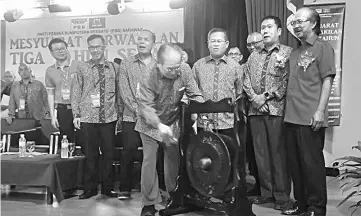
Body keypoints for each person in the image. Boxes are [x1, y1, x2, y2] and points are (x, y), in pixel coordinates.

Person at [135, 43, 204, 216]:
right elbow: (145, 106)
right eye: (170, 69)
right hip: (150, 124)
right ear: (158, 64)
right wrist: (159, 125)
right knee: (149, 161)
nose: (175, 72)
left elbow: (195, 93)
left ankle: (174, 197)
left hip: (173, 122)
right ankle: (149, 203)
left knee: (173, 161)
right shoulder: (148, 75)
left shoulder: (184, 69)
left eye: (177, 67)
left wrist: (199, 110)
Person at [192, 28, 254, 216]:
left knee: (230, 162)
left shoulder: (235, 66)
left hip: (228, 123)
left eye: (219, 41)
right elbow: (193, 90)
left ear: (226, 44)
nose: (216, 44)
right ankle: (206, 195)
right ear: (208, 43)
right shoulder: (198, 65)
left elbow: (240, 92)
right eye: (212, 41)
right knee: (206, 162)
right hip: (205, 124)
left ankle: (230, 197)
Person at [282, 7, 335, 216]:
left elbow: (327, 81)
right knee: (295, 165)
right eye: (294, 22)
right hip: (291, 117)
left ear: (313, 23)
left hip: (310, 116)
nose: (295, 25)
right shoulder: (295, 52)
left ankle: (316, 208)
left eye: (300, 21)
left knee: (312, 166)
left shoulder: (323, 48)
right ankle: (301, 204)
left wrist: (320, 111)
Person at [243, 15, 292, 211]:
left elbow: (286, 80)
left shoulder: (287, 53)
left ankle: (281, 195)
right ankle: (266, 193)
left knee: (278, 154)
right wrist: (255, 98)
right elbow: (246, 79)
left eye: (269, 27)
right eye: (263, 27)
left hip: (275, 110)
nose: (265, 31)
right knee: (260, 154)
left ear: (279, 31)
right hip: (255, 111)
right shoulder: (254, 55)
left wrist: (266, 97)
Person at [71, 34, 121, 199]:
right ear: (88, 48)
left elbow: (120, 93)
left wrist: (119, 115)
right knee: (90, 154)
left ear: (104, 46)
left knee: (108, 154)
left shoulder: (114, 67)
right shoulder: (82, 67)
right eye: (92, 47)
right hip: (87, 117)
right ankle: (89, 188)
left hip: (109, 117)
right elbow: (76, 91)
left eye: (98, 46)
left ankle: (107, 188)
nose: (95, 50)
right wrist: (76, 114)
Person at [117, 30, 157, 200]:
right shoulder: (127, 63)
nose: (142, 42)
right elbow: (124, 90)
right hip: (130, 116)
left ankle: (152, 189)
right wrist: (138, 110)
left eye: (146, 39)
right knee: (128, 151)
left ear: (153, 43)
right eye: (139, 39)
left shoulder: (159, 64)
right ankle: (125, 188)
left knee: (152, 155)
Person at [45, 38, 81, 143]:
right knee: (66, 141)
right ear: (51, 53)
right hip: (63, 110)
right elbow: (50, 94)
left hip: (80, 109)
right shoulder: (50, 70)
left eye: (62, 48)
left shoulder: (79, 65)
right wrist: (52, 117)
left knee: (84, 141)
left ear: (67, 49)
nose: (61, 51)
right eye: (57, 49)